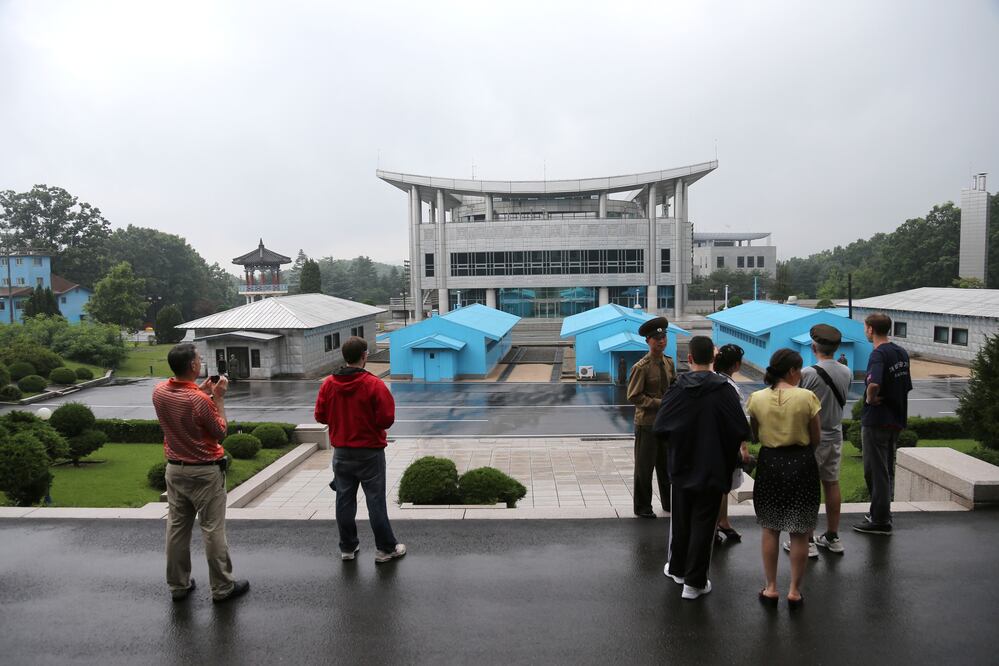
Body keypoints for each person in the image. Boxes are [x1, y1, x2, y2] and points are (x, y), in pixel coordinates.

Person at [653, 336, 750, 600]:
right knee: (704, 524)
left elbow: (660, 427)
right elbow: (741, 429)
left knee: (681, 520)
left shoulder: (677, 388)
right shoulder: (724, 390)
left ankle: (677, 569)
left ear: (690, 359)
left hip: (682, 464)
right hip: (713, 465)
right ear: (713, 359)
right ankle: (694, 583)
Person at [152, 343, 249, 603]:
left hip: (175, 469)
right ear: (193, 366)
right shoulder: (198, 400)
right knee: (212, 529)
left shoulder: (159, 392)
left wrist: (202, 391)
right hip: (205, 472)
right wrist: (217, 397)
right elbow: (220, 431)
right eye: (198, 359)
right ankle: (222, 587)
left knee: (176, 528)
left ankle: (178, 585)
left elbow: (184, 406)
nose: (200, 361)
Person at [314, 336, 406, 563]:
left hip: (342, 453)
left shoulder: (328, 384)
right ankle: (385, 549)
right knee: (375, 501)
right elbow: (386, 419)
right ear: (364, 356)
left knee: (344, 501)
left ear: (345, 357)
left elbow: (320, 415)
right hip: (370, 453)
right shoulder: (374, 384)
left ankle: (347, 547)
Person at [747, 349, 821, 609]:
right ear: (791, 371)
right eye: (799, 370)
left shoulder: (756, 398)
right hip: (801, 463)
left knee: (770, 528)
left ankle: (770, 588)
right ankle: (794, 592)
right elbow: (816, 437)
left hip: (770, 464)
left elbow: (754, 435)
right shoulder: (807, 397)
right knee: (800, 531)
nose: (801, 374)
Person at [787, 324, 852, 556]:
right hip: (835, 434)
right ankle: (833, 536)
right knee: (832, 484)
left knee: (808, 487)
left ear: (814, 346)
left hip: (811, 438)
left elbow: (795, 403)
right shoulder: (846, 372)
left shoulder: (808, 374)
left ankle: (808, 539)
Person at [854, 313, 912, 536]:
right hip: (896, 419)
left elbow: (874, 382)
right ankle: (882, 513)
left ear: (870, 329)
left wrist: (870, 398)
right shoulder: (901, 352)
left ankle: (879, 519)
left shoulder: (878, 354)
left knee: (875, 470)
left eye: (865, 328)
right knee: (886, 469)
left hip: (877, 421)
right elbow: (905, 385)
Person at [627, 316, 676, 518]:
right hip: (647, 424)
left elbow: (673, 387)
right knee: (644, 469)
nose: (661, 341)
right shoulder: (641, 367)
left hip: (667, 424)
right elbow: (633, 396)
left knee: (667, 469)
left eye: (664, 337)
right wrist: (660, 403)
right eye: (657, 339)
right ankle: (643, 507)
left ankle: (669, 503)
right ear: (648, 341)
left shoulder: (669, 363)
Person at [712, 343, 751, 545]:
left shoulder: (711, 381)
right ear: (736, 365)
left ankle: (723, 521)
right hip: (725, 444)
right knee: (721, 486)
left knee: (723, 486)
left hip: (710, 441)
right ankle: (718, 524)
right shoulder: (730, 388)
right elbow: (739, 420)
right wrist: (743, 447)